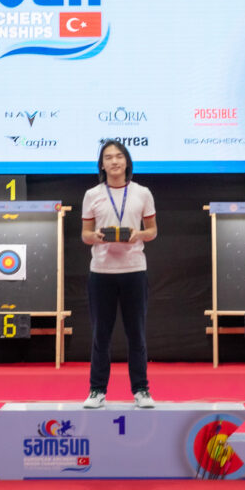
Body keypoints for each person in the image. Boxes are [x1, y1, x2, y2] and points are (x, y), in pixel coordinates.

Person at [80, 140, 157, 409]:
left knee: (136, 333)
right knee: (101, 334)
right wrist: (96, 237)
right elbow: (85, 234)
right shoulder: (92, 194)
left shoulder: (142, 193)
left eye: (119, 156)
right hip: (101, 272)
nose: (114, 161)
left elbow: (152, 231)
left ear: (127, 162)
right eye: (108, 157)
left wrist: (138, 234)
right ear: (102, 165)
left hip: (134, 270)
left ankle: (141, 390)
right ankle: (97, 390)